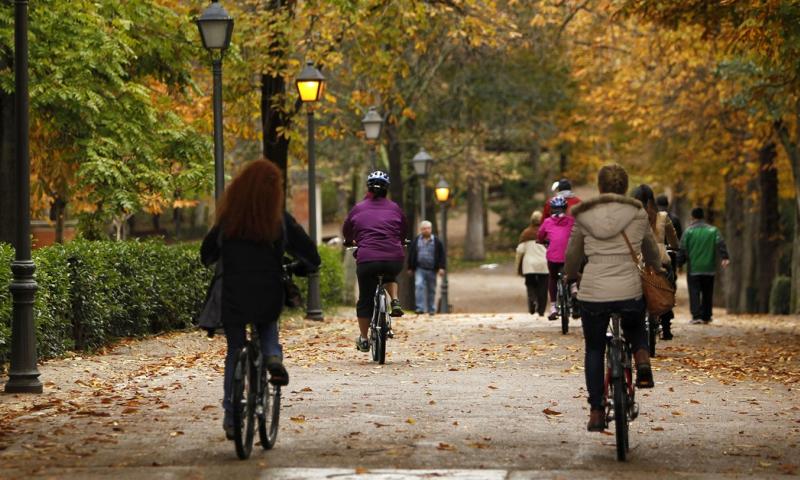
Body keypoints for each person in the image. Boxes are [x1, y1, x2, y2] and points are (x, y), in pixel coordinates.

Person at [200, 159, 320, 439]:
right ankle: (273, 359)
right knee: (267, 327)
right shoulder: (278, 219)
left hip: (232, 293)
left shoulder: (229, 218)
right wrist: (302, 266)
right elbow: (310, 256)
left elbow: (206, 254)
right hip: (268, 289)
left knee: (234, 350)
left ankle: (232, 417)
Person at [565, 163, 661, 432]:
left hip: (594, 292)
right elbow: (650, 249)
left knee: (594, 348)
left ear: (600, 186)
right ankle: (642, 359)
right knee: (634, 323)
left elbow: (573, 253)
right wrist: (658, 265)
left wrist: (570, 274)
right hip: (628, 288)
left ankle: (596, 411)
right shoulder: (638, 213)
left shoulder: (584, 215)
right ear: (624, 187)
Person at [342, 171, 408, 352]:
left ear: (368, 188)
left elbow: (347, 229)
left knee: (365, 300)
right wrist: (400, 241)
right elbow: (403, 230)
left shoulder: (358, 208)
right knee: (389, 275)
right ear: (387, 189)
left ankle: (364, 339)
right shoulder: (395, 208)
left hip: (367, 260)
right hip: (393, 258)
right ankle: (394, 300)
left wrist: (349, 241)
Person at [632, 185, 679, 339]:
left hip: (638, 259)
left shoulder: (631, 218)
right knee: (666, 286)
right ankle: (666, 327)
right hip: (660, 258)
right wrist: (674, 247)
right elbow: (673, 238)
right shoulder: (663, 217)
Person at [679, 207, 730, 324]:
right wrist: (725, 257)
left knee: (694, 292)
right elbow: (721, 243)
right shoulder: (713, 230)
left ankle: (696, 316)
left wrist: (679, 264)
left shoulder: (688, 231)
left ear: (692, 217)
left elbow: (682, 248)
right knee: (708, 292)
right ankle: (706, 316)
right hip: (709, 267)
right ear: (703, 217)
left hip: (694, 268)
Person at [538, 196, 575, 320]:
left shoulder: (547, 222)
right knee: (572, 271)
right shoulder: (571, 221)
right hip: (568, 256)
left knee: (553, 278)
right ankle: (574, 286)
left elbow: (540, 235)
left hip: (553, 257)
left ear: (551, 210)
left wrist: (541, 240)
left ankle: (553, 306)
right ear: (565, 209)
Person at [407, 220, 446, 315]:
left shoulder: (436, 241)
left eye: (428, 228)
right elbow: (411, 254)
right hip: (420, 268)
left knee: (431, 289)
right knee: (419, 285)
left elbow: (442, 255)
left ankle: (431, 309)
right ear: (421, 230)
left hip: (432, 269)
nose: (426, 230)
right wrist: (410, 267)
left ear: (431, 229)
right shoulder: (416, 240)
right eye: (424, 229)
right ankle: (420, 308)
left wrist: (441, 267)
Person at [515, 210, 549, 317]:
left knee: (530, 285)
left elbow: (520, 250)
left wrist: (517, 266)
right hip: (544, 264)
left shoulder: (526, 233)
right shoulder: (546, 232)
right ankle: (541, 310)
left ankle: (533, 301)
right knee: (543, 288)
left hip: (529, 265)